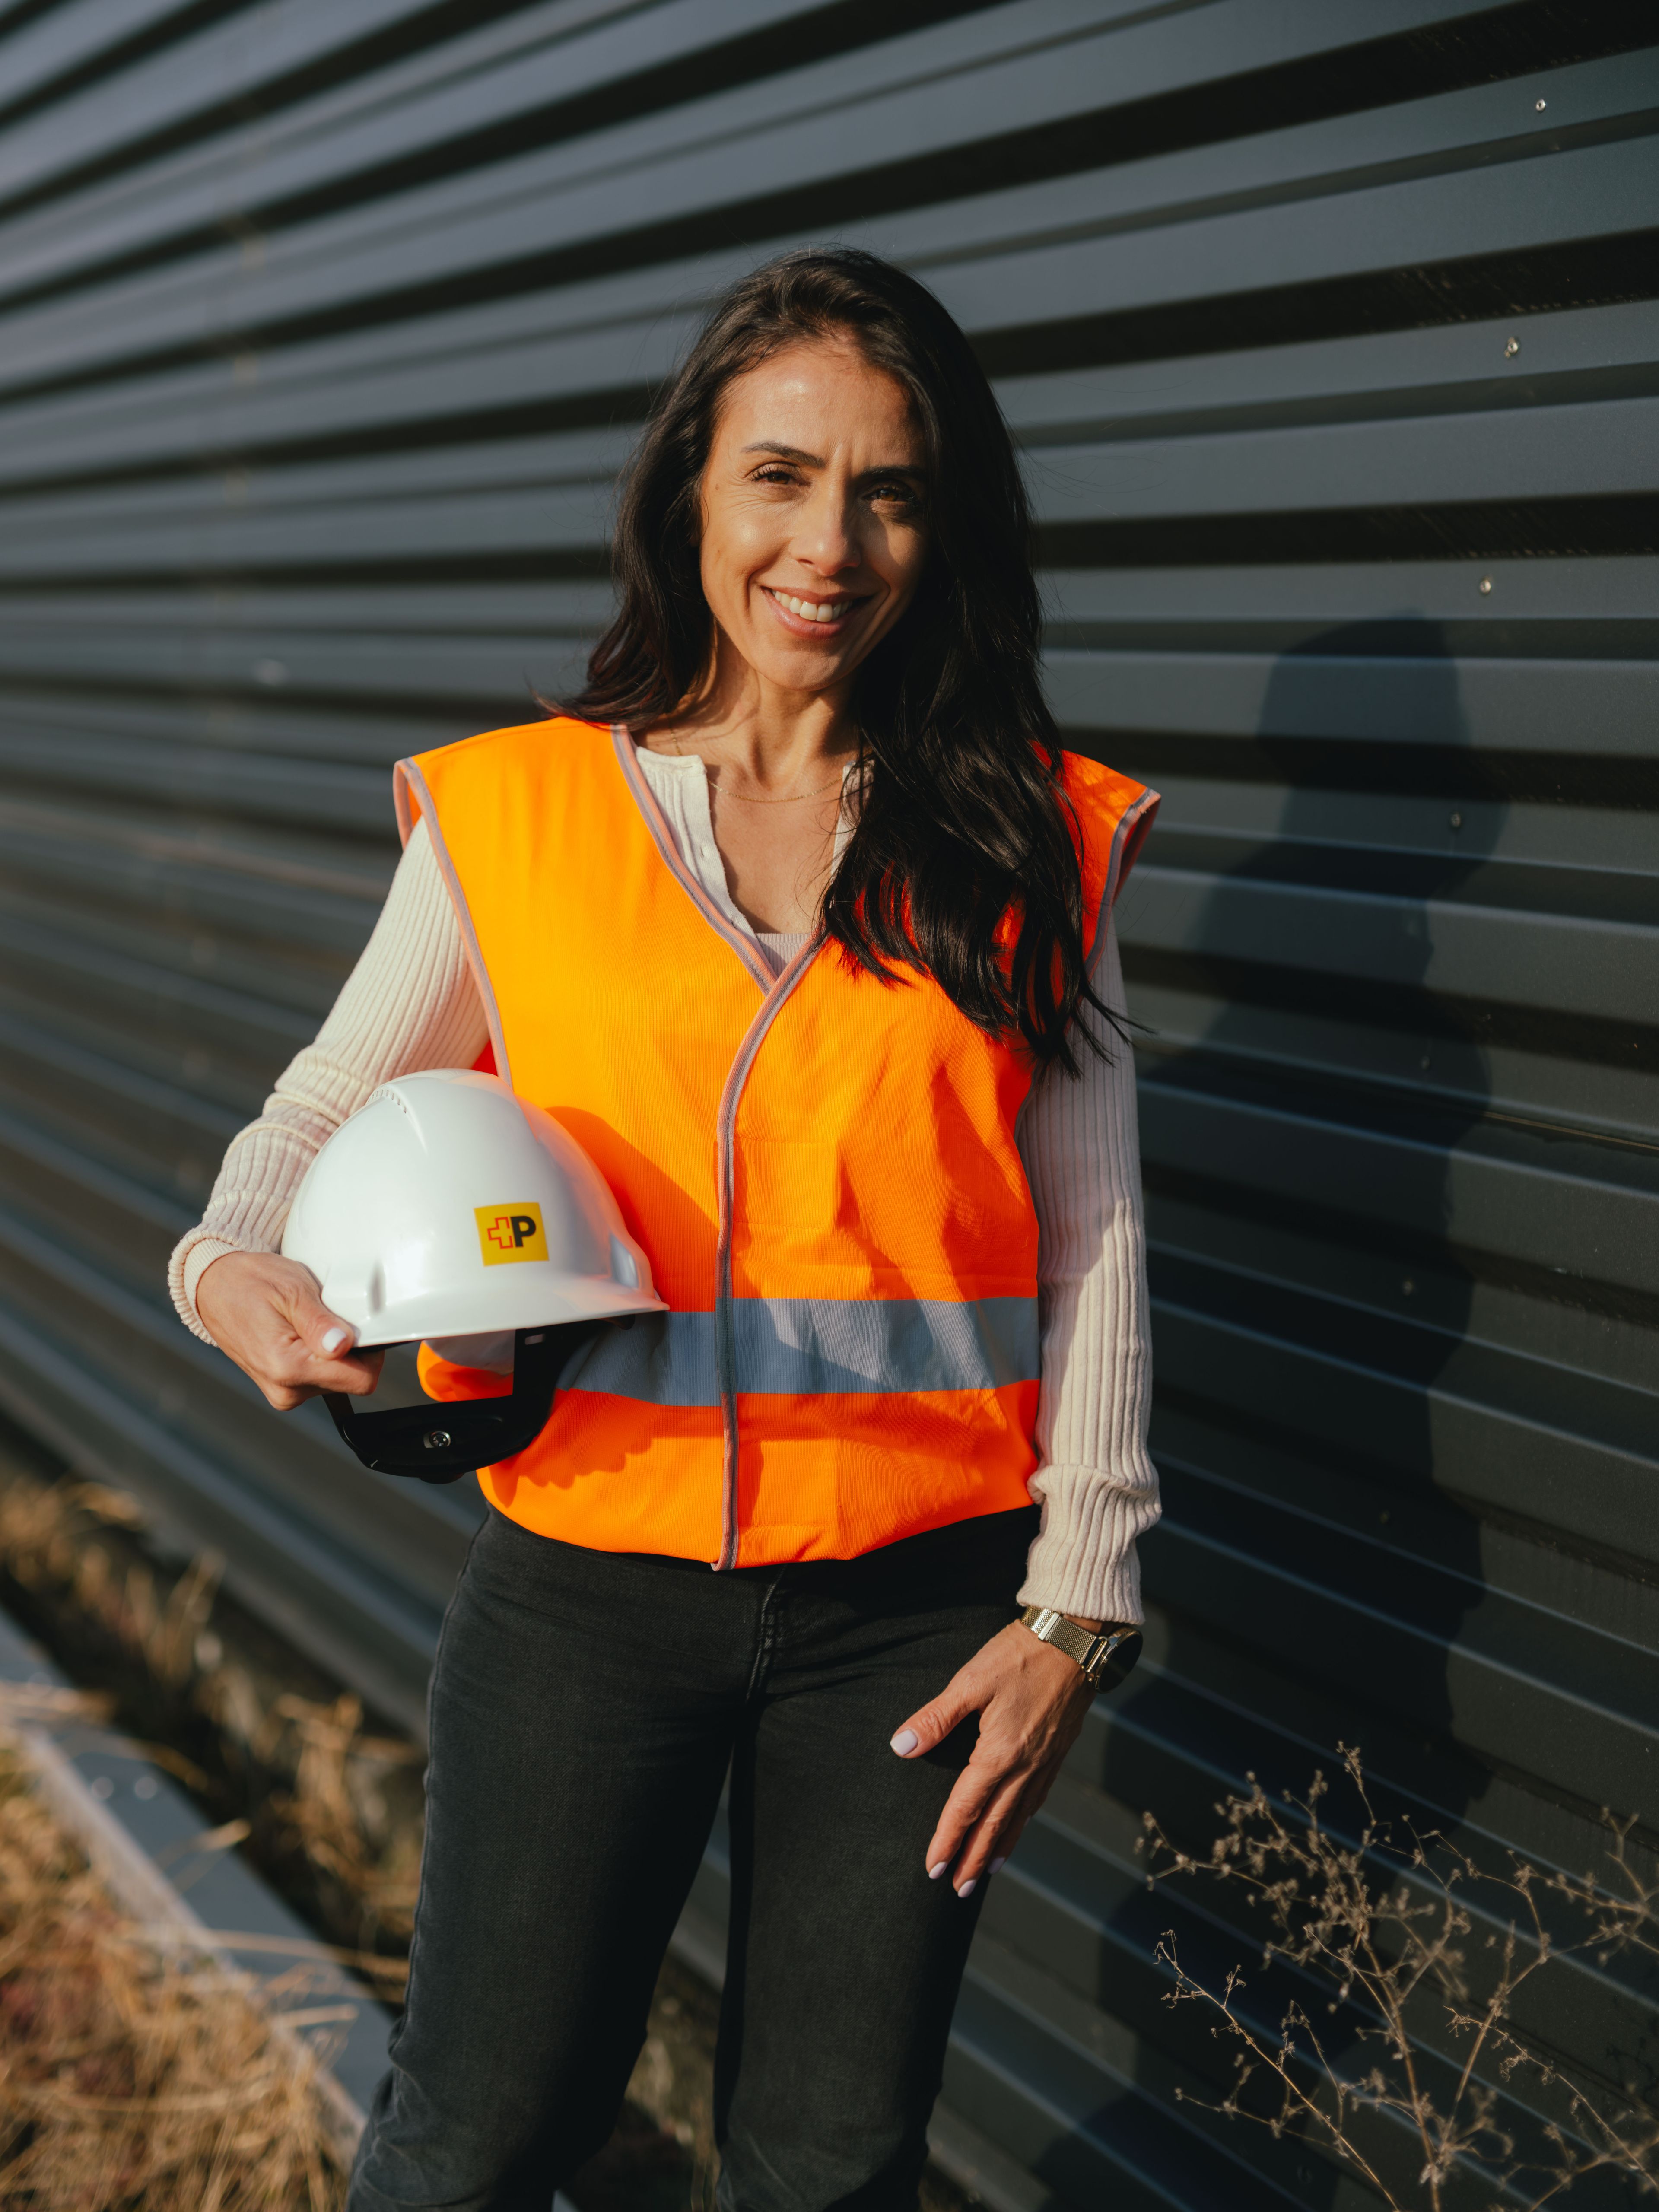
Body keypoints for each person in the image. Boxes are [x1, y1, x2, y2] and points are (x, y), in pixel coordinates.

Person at [169, 246, 1160, 2212]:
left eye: (889, 489)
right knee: (474, 2143)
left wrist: (1080, 1601)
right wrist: (229, 1269)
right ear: (690, 489)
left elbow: (1099, 1225)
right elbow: (305, 1119)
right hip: (585, 1596)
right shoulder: (518, 817)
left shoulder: (1029, 830)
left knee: (829, 2163)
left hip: (916, 1609)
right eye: (782, 475)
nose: (832, 541)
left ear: (940, 522)